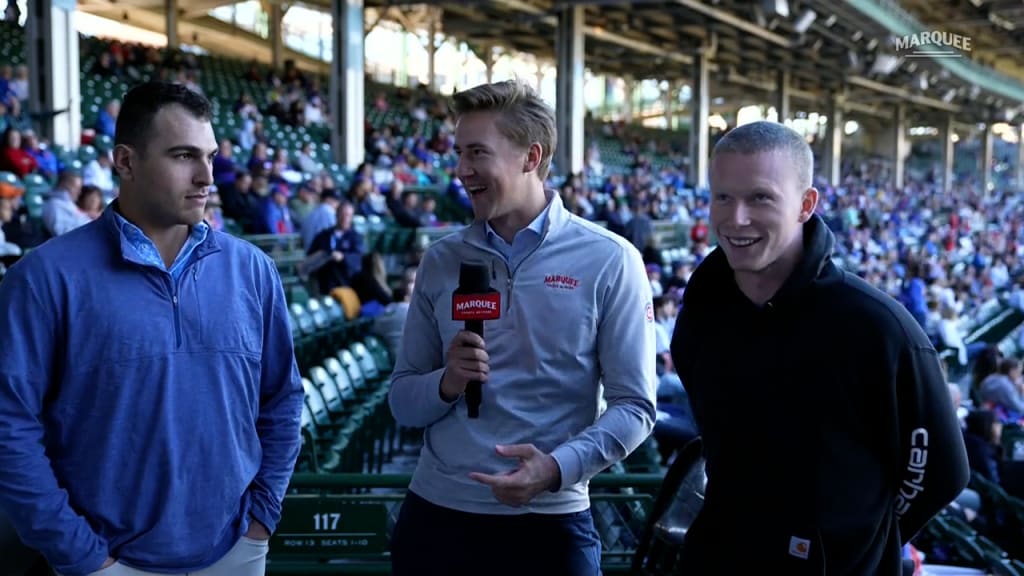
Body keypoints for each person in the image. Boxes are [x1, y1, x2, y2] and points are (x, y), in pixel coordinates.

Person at [0, 81, 304, 576]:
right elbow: (9, 427)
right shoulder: (43, 279)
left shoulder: (253, 270)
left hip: (235, 551)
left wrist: (261, 521)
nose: (207, 175)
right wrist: (83, 556)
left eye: (209, 156)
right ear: (125, 161)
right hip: (104, 561)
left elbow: (283, 399)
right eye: (184, 155)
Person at [670, 120, 969, 575]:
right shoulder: (702, 308)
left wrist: (855, 539)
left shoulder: (875, 326)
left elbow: (940, 471)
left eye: (761, 198)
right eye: (723, 197)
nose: (736, 219)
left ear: (805, 205)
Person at [387, 79, 657, 576]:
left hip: (550, 522)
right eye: (459, 153)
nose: (461, 170)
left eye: (476, 153)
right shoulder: (441, 260)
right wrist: (446, 383)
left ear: (531, 157)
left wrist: (556, 469)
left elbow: (636, 407)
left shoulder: (611, 260)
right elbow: (403, 401)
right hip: (437, 517)